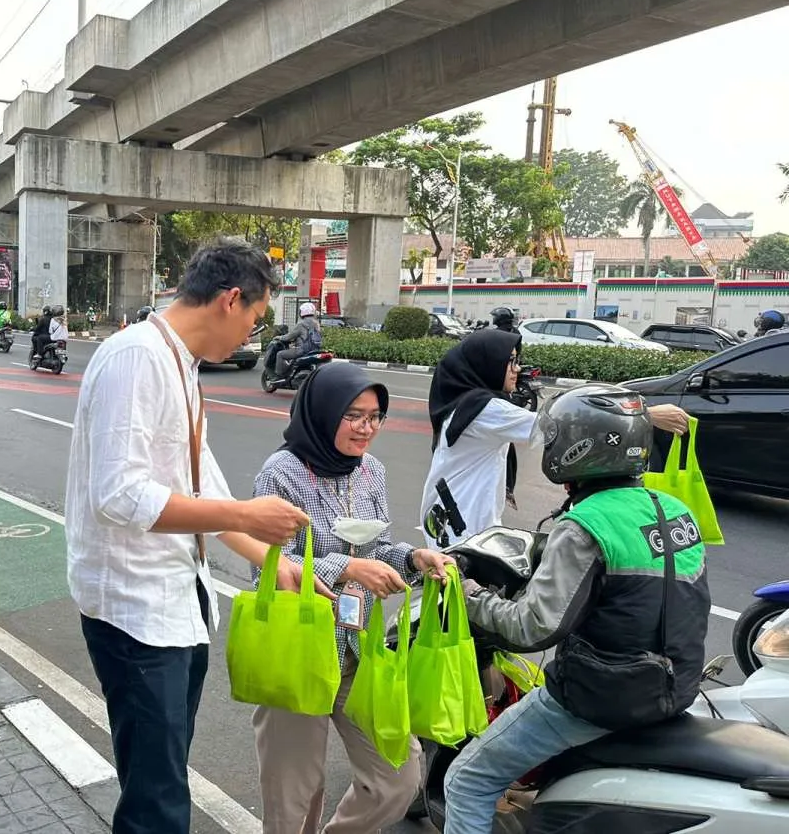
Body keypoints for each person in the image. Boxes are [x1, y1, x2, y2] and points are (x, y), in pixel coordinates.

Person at [67, 237, 313, 834]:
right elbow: (118, 495)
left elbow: (204, 485)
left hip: (176, 605)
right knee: (158, 802)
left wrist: (272, 560)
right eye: (256, 317)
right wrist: (248, 517)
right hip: (135, 614)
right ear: (231, 300)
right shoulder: (137, 358)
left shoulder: (179, 363)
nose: (253, 333)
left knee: (163, 777)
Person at [443, 385, 711, 834]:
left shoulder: (584, 525)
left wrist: (468, 593)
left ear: (577, 448)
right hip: (675, 688)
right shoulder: (675, 510)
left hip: (600, 698)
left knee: (468, 780)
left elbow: (532, 628)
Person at [249, 362, 452, 834]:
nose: (366, 428)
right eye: (353, 415)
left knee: (398, 777)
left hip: (359, 648)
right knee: (295, 793)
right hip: (298, 650)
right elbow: (265, 566)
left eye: (375, 416)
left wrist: (413, 558)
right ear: (323, 412)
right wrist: (345, 569)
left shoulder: (371, 472)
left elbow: (376, 548)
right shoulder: (281, 474)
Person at [422, 329, 691, 548]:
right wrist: (648, 415)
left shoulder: (468, 404)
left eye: (517, 360)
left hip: (460, 520)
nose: (517, 368)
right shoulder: (481, 410)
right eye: (510, 361)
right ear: (487, 364)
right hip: (459, 527)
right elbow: (554, 427)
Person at [272, 301, 323, 377]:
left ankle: (278, 376)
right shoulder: (317, 324)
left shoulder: (301, 324)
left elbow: (289, 337)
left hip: (302, 350)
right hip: (315, 350)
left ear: (302, 312)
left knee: (280, 354)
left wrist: (279, 337)